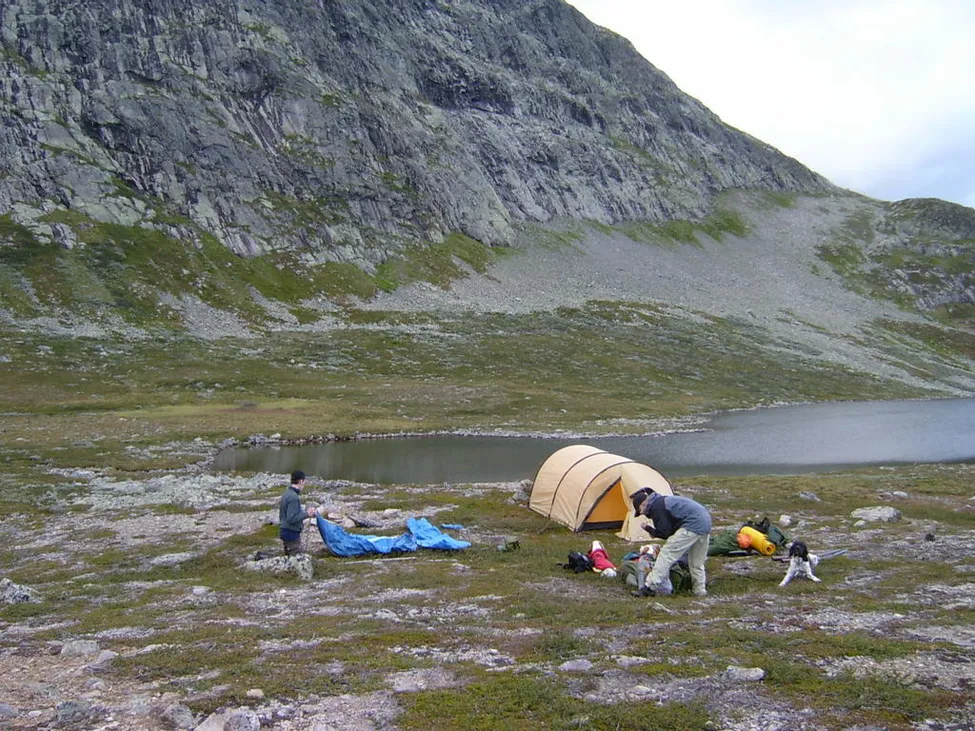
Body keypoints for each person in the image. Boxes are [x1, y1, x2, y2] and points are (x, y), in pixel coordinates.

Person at [632, 488, 711, 597]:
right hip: (705, 523)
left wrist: (649, 529)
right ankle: (700, 591)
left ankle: (649, 587)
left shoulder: (656, 507)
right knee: (696, 562)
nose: (642, 513)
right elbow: (671, 529)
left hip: (692, 524)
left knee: (667, 553)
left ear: (643, 504)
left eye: (639, 510)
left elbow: (665, 533)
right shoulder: (662, 501)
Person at [279, 470, 317, 556]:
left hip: (284, 530)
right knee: (295, 559)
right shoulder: (293, 497)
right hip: (291, 533)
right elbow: (292, 518)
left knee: (288, 557)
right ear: (301, 481)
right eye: (304, 482)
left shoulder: (287, 493)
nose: (304, 485)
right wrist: (307, 514)